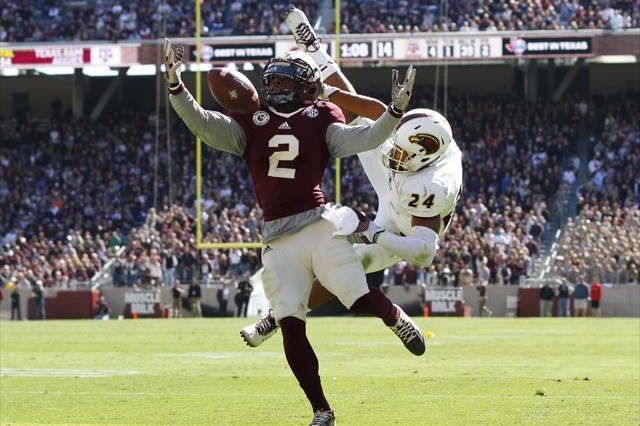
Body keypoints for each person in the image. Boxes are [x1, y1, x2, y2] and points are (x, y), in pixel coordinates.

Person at [164, 20, 419, 424]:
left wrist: (394, 114)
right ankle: (322, 410)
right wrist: (177, 87)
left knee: (358, 298)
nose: (276, 89)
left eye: (285, 83)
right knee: (290, 323)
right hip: (277, 238)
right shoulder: (251, 120)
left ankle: (396, 319)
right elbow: (203, 124)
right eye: (274, 82)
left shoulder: (322, 117)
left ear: (306, 86)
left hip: (318, 225)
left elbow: (365, 139)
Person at [240, 6, 463, 353]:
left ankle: (274, 318)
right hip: (400, 186)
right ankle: (277, 315)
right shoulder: (415, 134)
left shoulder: (432, 186)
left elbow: (423, 253)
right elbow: (364, 105)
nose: (393, 154)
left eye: (402, 153)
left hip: (402, 223)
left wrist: (373, 231)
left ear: (423, 158)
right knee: (362, 121)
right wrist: (314, 51)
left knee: (355, 260)